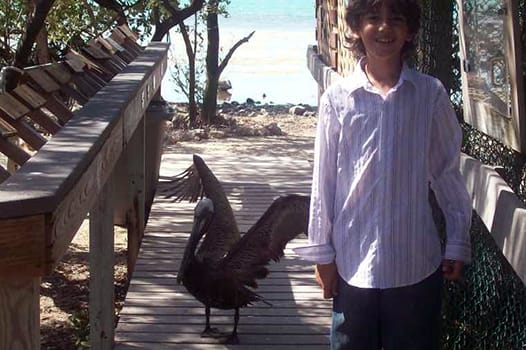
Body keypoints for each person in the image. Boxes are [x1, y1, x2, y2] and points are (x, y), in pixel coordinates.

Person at [294, 0, 472, 349]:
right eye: (373, 18)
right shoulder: (337, 99)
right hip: (352, 263)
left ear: (409, 31)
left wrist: (457, 240)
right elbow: (324, 181)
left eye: (396, 19)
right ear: (358, 27)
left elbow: (446, 172)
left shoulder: (430, 95)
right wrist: (322, 254)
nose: (385, 27)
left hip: (415, 265)